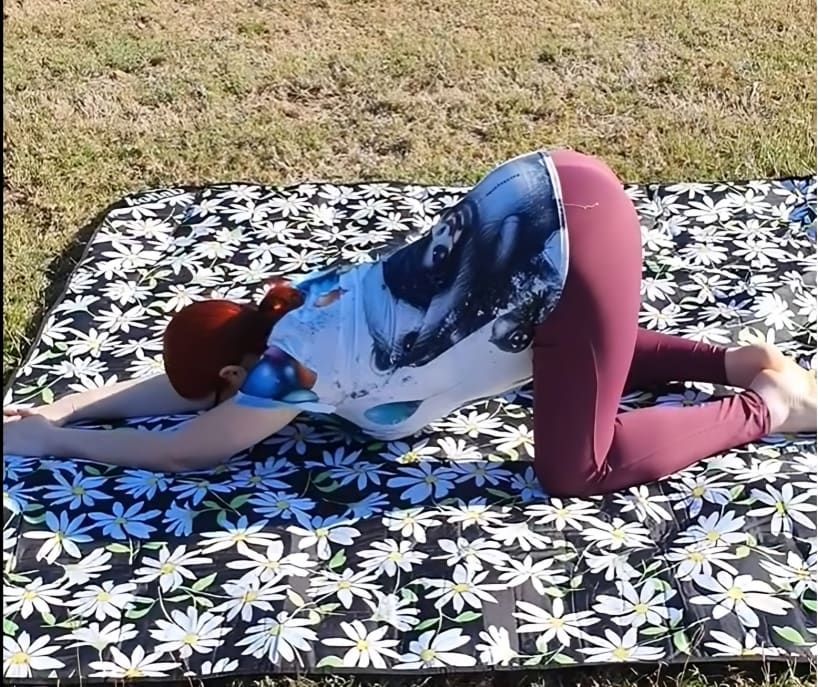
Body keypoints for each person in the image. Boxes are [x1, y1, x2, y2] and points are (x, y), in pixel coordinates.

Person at [3, 150, 816, 497]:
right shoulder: (296, 308)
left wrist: (58, 442)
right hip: (549, 187)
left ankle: (769, 405)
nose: (232, 405)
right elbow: (179, 394)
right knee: (542, 347)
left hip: (574, 246)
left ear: (236, 373)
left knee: (578, 466)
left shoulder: (291, 367)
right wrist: (66, 406)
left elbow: (188, 447)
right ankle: (733, 360)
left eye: (227, 392)